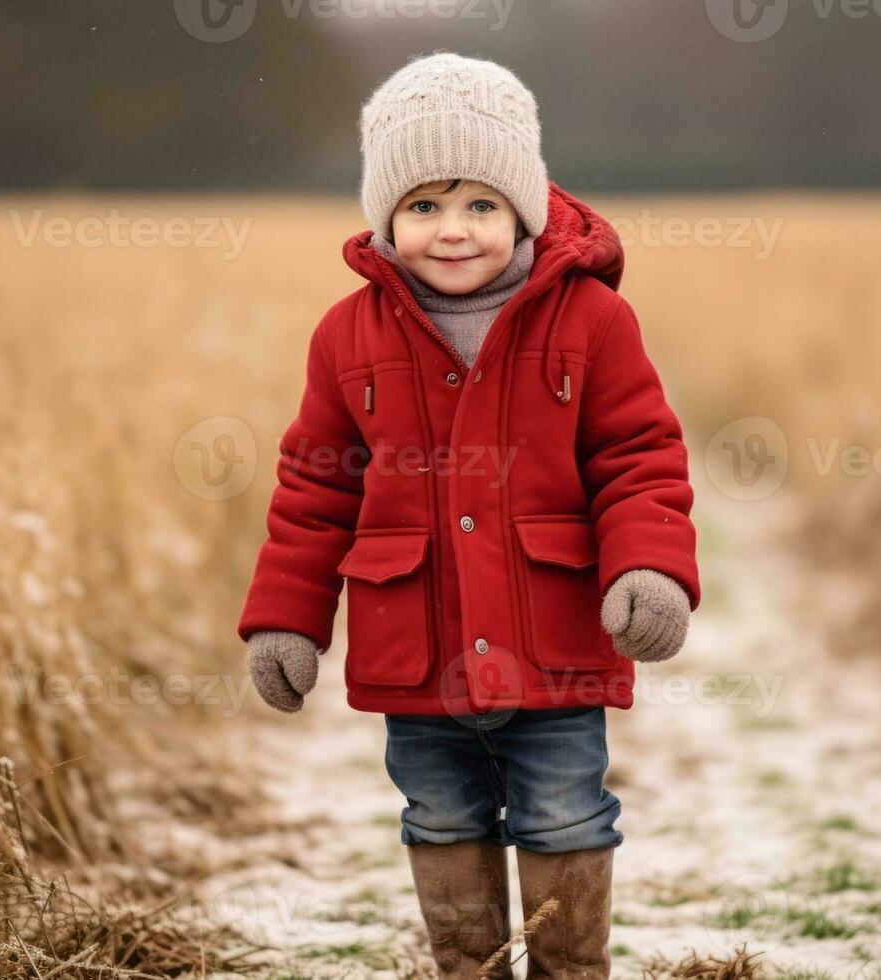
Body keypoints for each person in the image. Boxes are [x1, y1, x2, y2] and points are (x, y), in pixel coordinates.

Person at [238, 50, 701, 979]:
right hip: (417, 647)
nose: (453, 231)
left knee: (567, 814)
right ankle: (470, 970)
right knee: (439, 816)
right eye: (424, 207)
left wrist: (647, 569)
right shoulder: (347, 335)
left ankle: (571, 969)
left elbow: (637, 459)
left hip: (554, 640)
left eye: (480, 205)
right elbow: (315, 488)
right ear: (385, 216)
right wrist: (286, 619)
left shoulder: (591, 323)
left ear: (523, 208)